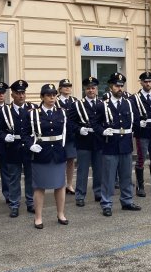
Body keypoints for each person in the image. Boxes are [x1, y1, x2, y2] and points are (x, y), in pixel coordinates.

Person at [95, 73, 143, 216]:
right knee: (108, 177)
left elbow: (136, 120)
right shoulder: (103, 105)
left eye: (121, 86)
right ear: (111, 87)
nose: (120, 88)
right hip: (110, 144)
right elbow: (95, 123)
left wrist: (134, 130)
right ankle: (106, 203)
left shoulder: (129, 103)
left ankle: (127, 201)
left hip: (126, 144)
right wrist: (103, 131)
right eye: (117, 86)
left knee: (126, 176)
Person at [26, 84, 70, 229]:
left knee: (60, 185)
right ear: (42, 97)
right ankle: (38, 217)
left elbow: (66, 132)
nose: (52, 98)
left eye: (54, 95)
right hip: (41, 152)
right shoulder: (33, 113)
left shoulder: (62, 112)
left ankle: (61, 214)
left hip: (58, 152)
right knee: (39, 187)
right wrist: (30, 145)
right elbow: (26, 133)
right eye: (48, 95)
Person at [0, 80, 36, 217]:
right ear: (12, 95)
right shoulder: (5, 111)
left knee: (30, 177)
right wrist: (4, 136)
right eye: (18, 93)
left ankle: (31, 203)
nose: (21, 96)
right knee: (13, 178)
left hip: (29, 148)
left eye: (23, 93)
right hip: (12, 148)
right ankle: (14, 204)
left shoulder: (33, 109)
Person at [69, 77, 102, 207]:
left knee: (99, 169)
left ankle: (98, 192)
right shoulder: (77, 104)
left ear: (97, 89)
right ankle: (80, 195)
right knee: (82, 170)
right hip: (83, 141)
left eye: (93, 88)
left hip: (98, 141)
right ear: (84, 89)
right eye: (88, 88)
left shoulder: (102, 104)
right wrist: (79, 129)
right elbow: (70, 122)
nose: (90, 90)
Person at [56, 79, 78, 194]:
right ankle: (60, 184)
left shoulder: (74, 101)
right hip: (59, 136)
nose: (67, 88)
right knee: (60, 161)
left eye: (69, 86)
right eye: (64, 86)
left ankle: (69, 184)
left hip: (71, 136)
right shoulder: (55, 101)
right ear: (60, 88)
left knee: (70, 160)